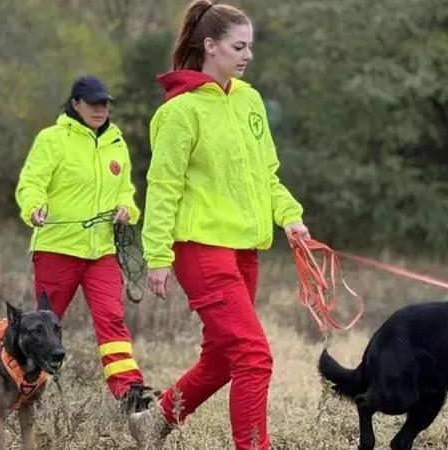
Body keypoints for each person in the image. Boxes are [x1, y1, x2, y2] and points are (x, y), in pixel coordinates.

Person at [128, 1, 310, 449]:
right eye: (238, 46)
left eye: (250, 46)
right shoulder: (180, 112)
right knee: (253, 356)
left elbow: (266, 175)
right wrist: (158, 255)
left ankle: (153, 422)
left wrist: (290, 218)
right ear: (210, 46)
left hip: (243, 248)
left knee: (222, 359)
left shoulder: (250, 100)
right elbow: (162, 187)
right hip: (200, 249)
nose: (248, 55)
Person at [15, 75, 154, 414]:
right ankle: (21, 389)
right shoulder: (52, 139)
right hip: (57, 249)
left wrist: (127, 209)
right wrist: (33, 206)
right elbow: (31, 183)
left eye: (104, 103)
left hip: (102, 252)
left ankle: (130, 393)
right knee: (43, 327)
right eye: (93, 103)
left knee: (112, 319)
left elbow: (125, 191)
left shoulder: (116, 142)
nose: (100, 109)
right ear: (75, 103)